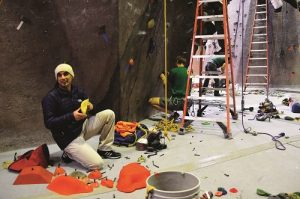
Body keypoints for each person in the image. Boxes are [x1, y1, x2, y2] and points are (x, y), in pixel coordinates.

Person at [42, 63, 121, 170]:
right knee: (97, 164)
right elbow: (49, 123)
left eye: (66, 74)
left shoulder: (78, 91)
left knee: (109, 114)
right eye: (59, 75)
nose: (63, 77)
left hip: (81, 128)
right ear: (56, 78)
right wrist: (72, 116)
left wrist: (92, 107)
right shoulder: (50, 97)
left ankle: (104, 149)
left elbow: (92, 112)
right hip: (68, 138)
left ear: (72, 75)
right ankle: (68, 153)